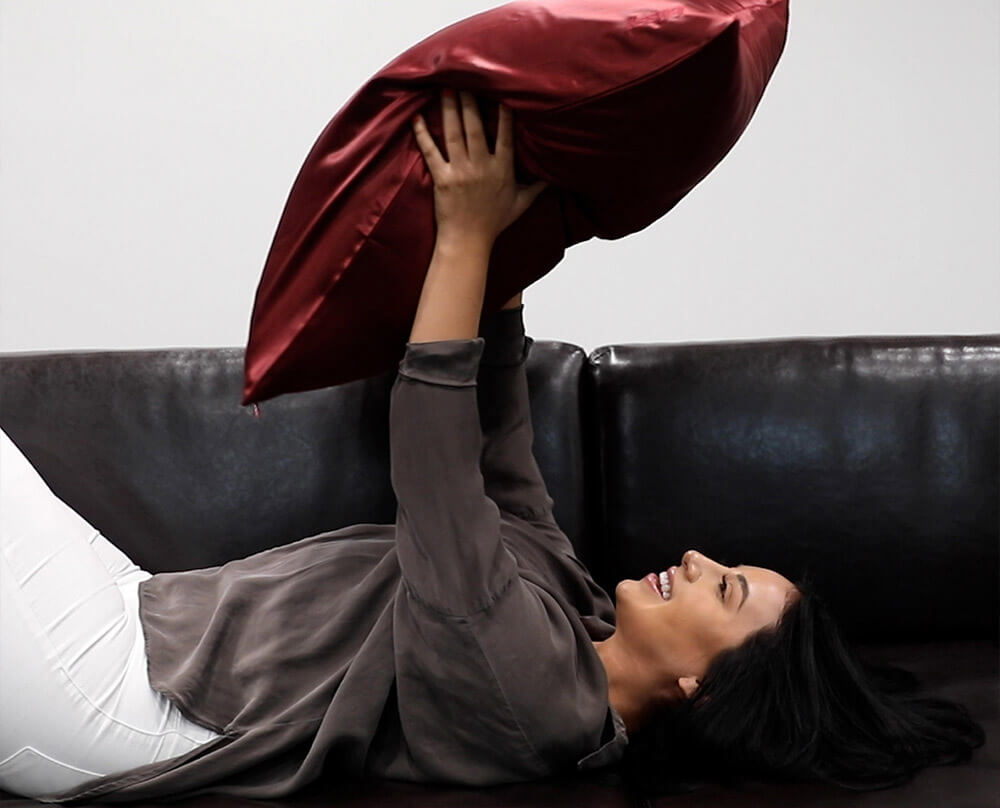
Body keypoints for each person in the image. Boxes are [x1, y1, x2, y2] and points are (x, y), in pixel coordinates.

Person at [0, 89, 985, 806]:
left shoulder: (539, 700)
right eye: (726, 565)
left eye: (722, 587)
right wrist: (512, 261)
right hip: (137, 611)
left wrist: (465, 235)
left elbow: (436, 474)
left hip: (123, 704)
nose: (698, 557)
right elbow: (500, 454)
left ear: (701, 687)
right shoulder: (574, 617)